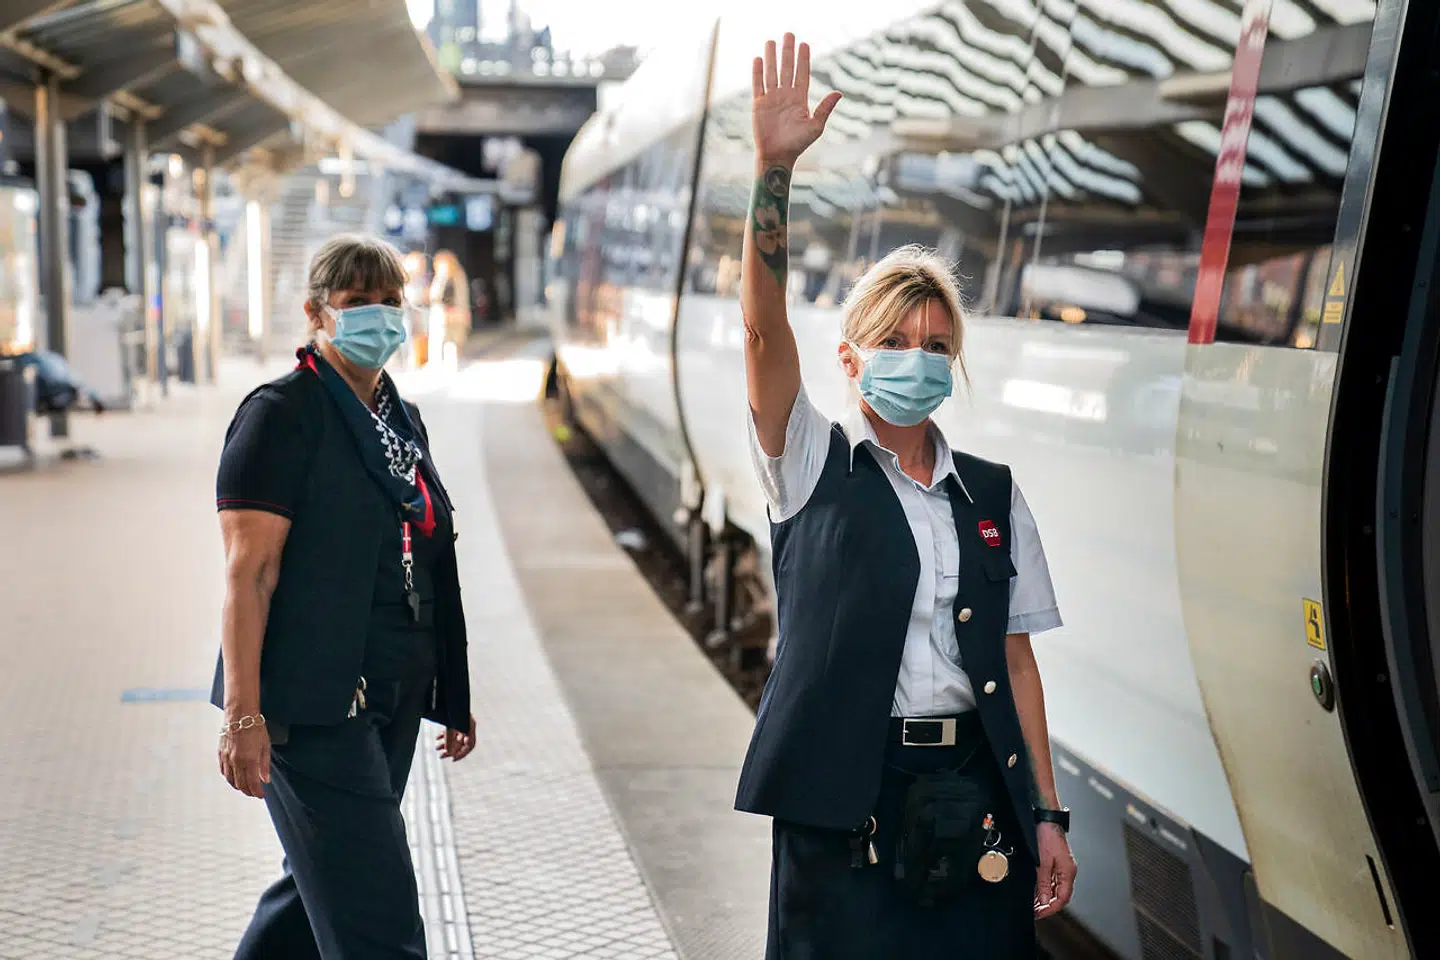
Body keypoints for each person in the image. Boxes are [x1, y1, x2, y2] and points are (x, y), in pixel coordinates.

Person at [734, 34, 1078, 958]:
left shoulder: (993, 498)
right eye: (899, 341)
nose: (920, 361)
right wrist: (773, 173)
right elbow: (764, 338)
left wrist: (1048, 813)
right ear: (852, 359)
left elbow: (1018, 664)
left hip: (972, 794)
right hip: (845, 800)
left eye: (937, 346)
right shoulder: (810, 464)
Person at [211, 233, 478, 959]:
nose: (381, 317)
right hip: (312, 702)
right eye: (359, 303)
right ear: (316, 313)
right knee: (379, 921)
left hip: (388, 691)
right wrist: (243, 715)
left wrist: (449, 692)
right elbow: (249, 574)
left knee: (316, 890)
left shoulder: (398, 417)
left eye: (391, 302)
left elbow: (423, 554)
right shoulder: (280, 416)